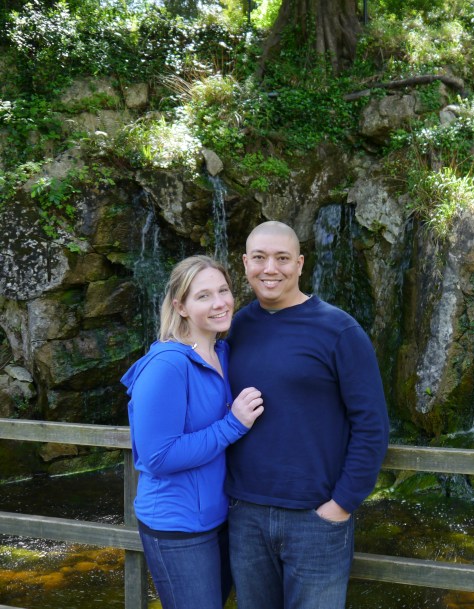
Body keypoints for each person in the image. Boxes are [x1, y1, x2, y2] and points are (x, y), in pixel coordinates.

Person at [226, 220, 390, 609]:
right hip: (244, 515)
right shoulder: (233, 327)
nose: (271, 269)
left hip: (315, 518)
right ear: (245, 262)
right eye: (261, 258)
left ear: (300, 264)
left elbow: (372, 425)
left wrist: (342, 504)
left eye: (282, 258)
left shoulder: (339, 330)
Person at [121, 255, 265, 609]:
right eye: (203, 296)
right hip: (178, 525)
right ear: (180, 306)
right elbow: (157, 455)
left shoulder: (223, 352)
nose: (219, 303)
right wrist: (233, 425)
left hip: (221, 518)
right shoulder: (167, 365)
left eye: (224, 290)